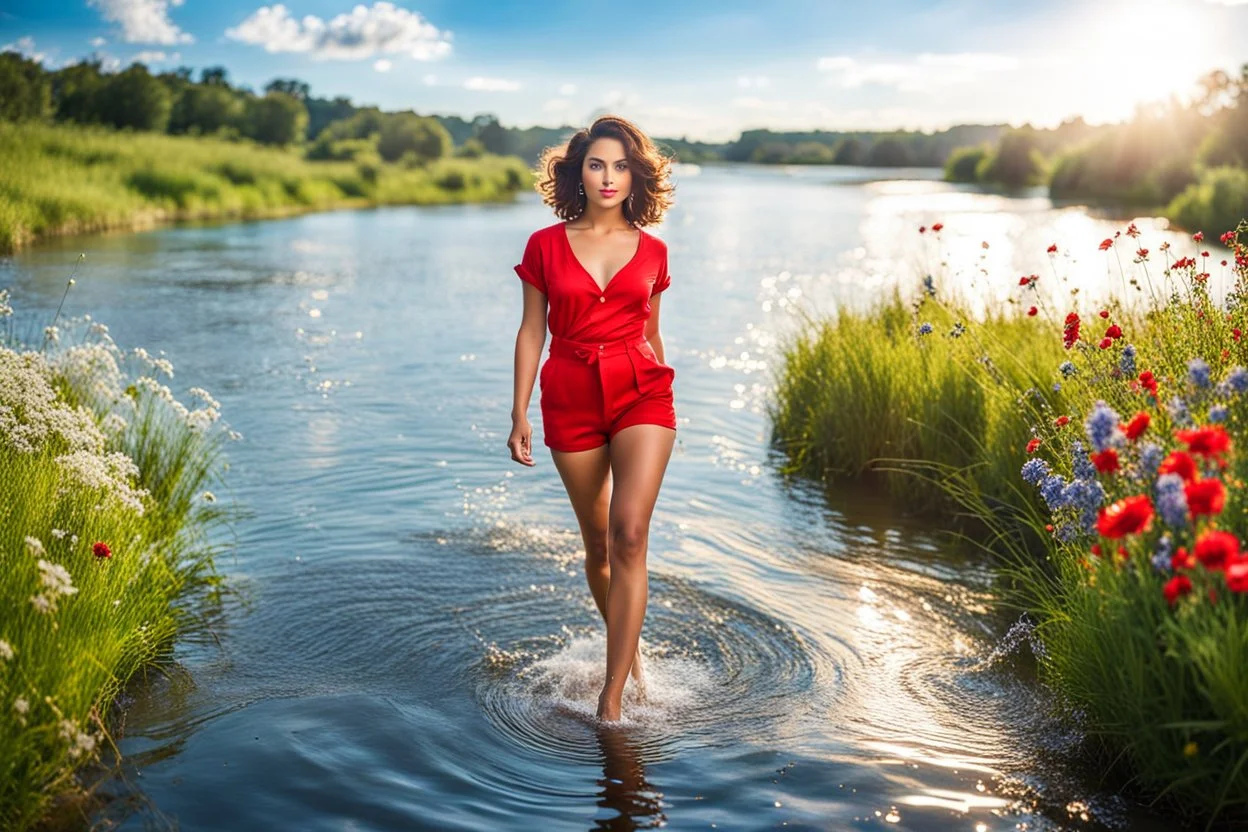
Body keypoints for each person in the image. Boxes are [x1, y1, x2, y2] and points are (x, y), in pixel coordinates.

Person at [507, 115, 678, 722]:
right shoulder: (544, 245)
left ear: (637, 175)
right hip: (570, 394)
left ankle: (612, 701)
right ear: (579, 172)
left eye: (622, 165)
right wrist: (519, 410)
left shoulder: (654, 250)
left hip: (641, 393)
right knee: (601, 543)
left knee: (630, 531)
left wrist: (663, 398)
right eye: (597, 164)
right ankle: (629, 657)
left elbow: (652, 334)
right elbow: (532, 330)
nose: (609, 177)